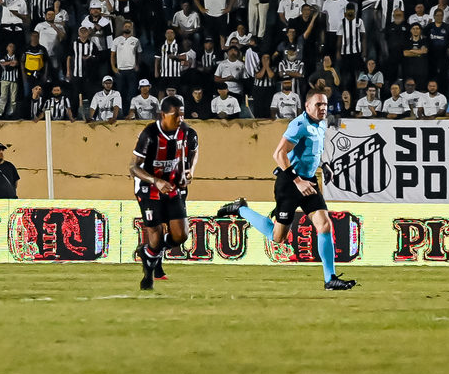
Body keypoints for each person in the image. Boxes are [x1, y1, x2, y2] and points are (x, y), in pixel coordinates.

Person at [217, 91, 356, 291]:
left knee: (324, 225)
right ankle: (241, 209)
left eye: (324, 104)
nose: (323, 108)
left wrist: (324, 165)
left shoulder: (321, 123)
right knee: (278, 237)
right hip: (290, 183)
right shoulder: (299, 125)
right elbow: (278, 154)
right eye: (318, 105)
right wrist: (297, 181)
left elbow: (315, 149)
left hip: (308, 182)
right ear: (307, 106)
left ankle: (330, 279)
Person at [129, 95, 200, 290]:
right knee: (156, 235)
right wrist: (155, 180)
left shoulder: (186, 132)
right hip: (148, 187)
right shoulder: (150, 134)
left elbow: (193, 152)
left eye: (182, 115)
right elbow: (133, 167)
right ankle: (149, 276)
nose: (180, 119)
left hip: (172, 186)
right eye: (176, 115)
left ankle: (148, 252)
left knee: (180, 236)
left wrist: (189, 172)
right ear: (163, 115)